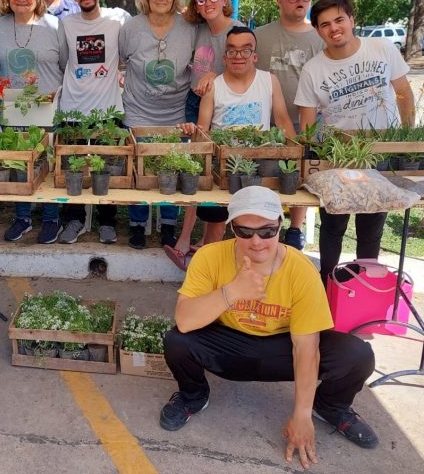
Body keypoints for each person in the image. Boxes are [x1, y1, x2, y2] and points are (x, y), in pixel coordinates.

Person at [161, 185, 379, 465]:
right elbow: (185, 320)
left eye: (267, 231)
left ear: (280, 226)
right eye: (245, 232)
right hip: (230, 343)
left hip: (283, 347)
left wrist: (301, 413)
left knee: (357, 354)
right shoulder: (209, 257)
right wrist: (232, 292)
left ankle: (329, 407)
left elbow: (307, 347)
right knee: (177, 340)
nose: (257, 241)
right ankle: (193, 397)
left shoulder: (301, 270)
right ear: (231, 229)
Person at [294, 0, 415, 283]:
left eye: (339, 20)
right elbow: (308, 124)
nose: (334, 28)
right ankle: (326, 284)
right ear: (318, 30)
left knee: (371, 227)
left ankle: (364, 286)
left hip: (381, 153)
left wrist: (407, 139)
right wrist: (314, 155)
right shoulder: (313, 69)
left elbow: (404, 94)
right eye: (325, 24)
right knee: (333, 225)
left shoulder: (382, 49)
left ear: (351, 20)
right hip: (340, 158)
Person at [167, 26, 296, 270]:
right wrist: (192, 132)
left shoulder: (269, 81)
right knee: (215, 231)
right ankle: (206, 279)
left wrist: (297, 155)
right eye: (232, 51)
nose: (238, 56)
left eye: (245, 50)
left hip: (257, 167)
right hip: (222, 167)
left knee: (255, 230)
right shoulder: (214, 85)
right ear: (224, 57)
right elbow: (204, 128)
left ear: (254, 55)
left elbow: (282, 120)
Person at [119, 0, 197, 250]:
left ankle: (167, 226)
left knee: (170, 169)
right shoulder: (131, 27)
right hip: (138, 111)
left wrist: (204, 77)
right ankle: (138, 224)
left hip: (175, 113)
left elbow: (200, 61)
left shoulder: (189, 27)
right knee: (141, 169)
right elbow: (120, 59)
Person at [57, 0, 130, 245]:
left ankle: (107, 221)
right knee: (73, 169)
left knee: (106, 169)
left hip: (108, 110)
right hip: (73, 108)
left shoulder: (118, 19)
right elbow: (64, 61)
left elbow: (128, 53)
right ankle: (74, 220)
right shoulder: (67, 24)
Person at [0, 0, 68, 244]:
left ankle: (51, 219)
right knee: (18, 164)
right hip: (13, 105)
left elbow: (65, 64)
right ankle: (22, 218)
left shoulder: (55, 26)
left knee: (47, 164)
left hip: (47, 104)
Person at [255, 0, 324, 250]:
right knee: (270, 173)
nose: (301, 1)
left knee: (301, 175)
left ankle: (295, 229)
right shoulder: (260, 35)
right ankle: (268, 222)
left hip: (309, 120)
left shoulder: (319, 37)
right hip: (268, 120)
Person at [184, 0, 243, 124]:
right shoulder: (196, 30)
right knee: (194, 146)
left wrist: (214, 76)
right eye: (201, 0)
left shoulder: (239, 32)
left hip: (223, 103)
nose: (208, 3)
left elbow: (245, 73)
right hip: (195, 101)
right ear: (196, 7)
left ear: (224, 1)